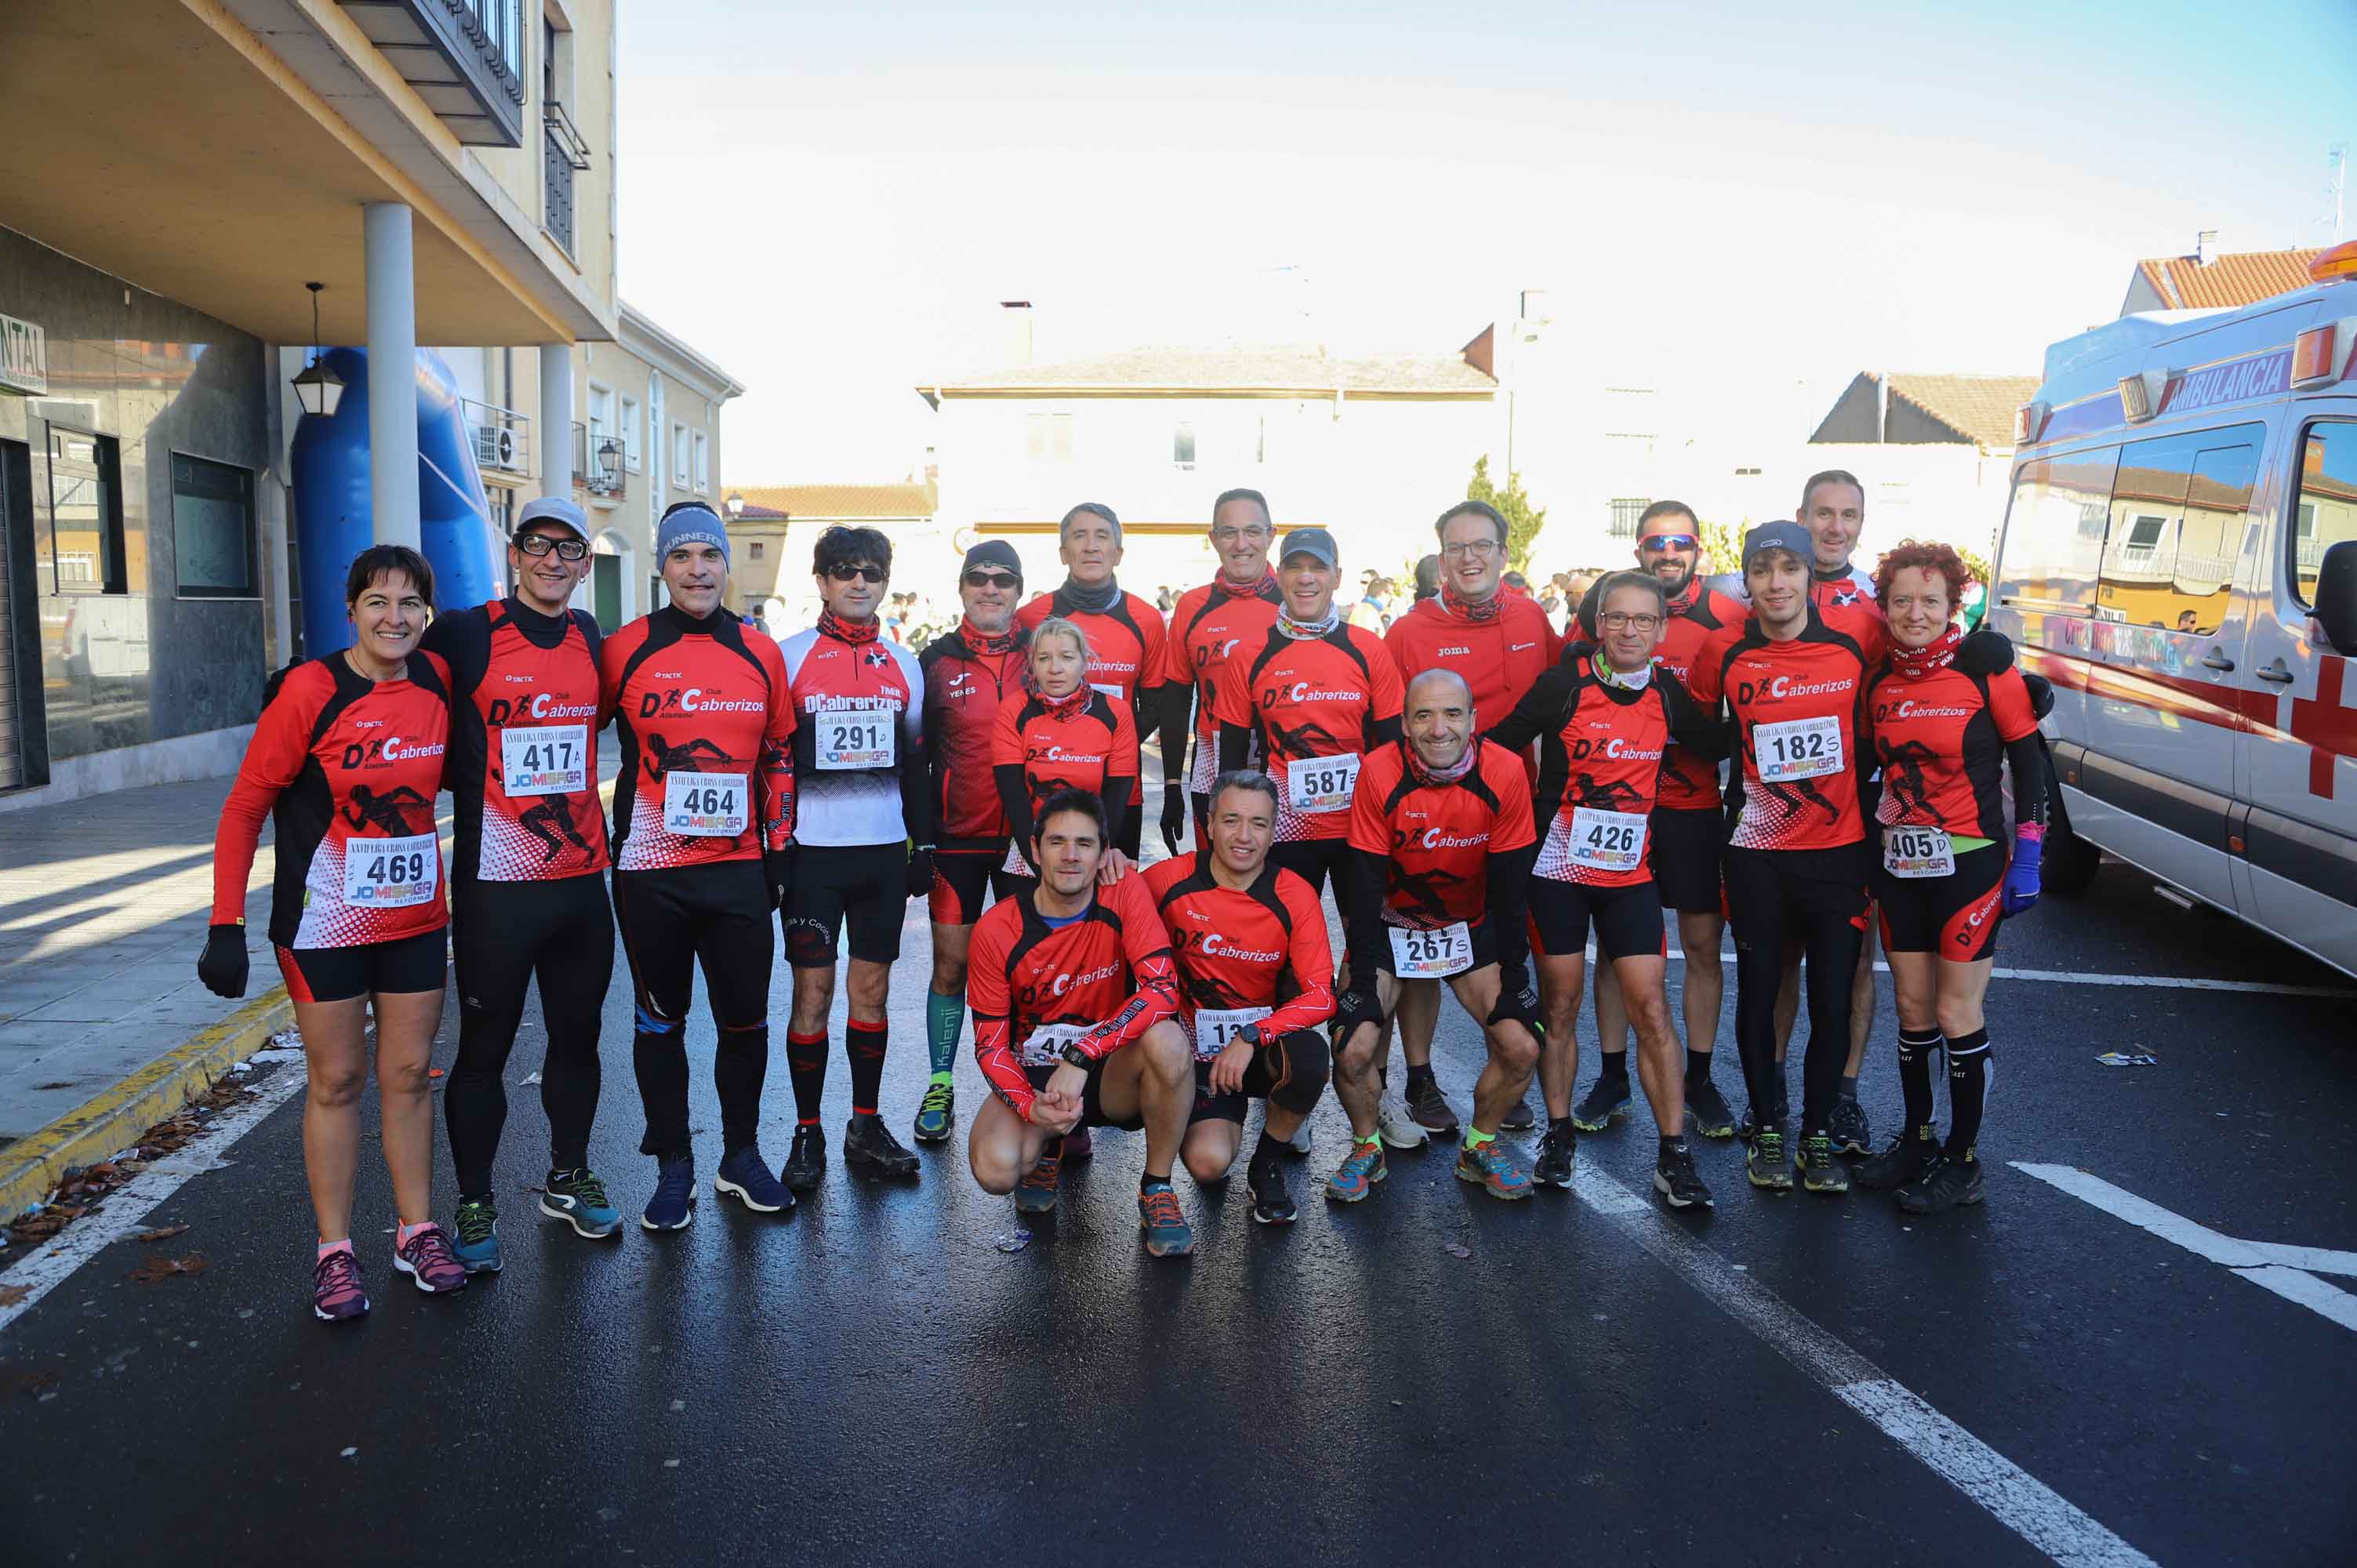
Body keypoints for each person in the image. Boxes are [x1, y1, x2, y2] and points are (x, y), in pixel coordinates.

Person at [200, 545, 463, 1320]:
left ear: (426, 613)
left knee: (411, 1074)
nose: (395, 616)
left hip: (416, 914)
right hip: (323, 920)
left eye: (410, 602)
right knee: (338, 1080)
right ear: (350, 609)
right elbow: (246, 806)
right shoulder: (310, 690)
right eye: (378, 601)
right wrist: (225, 922)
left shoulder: (437, 681)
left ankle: (416, 1231)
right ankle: (334, 1250)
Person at [419, 496, 618, 1272]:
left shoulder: (588, 634)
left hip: (578, 882)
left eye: (569, 550)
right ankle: (474, 1199)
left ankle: (567, 1174)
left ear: (585, 566)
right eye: (540, 544)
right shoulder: (469, 631)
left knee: (579, 1039)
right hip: (496, 883)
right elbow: (394, 672)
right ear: (514, 552)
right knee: (485, 1048)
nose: (553, 561)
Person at [1488, 572, 1724, 1206]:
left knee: (1651, 1008)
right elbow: (1498, 748)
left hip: (1629, 877)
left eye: (1643, 621)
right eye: (1617, 618)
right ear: (1598, 624)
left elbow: (1716, 743)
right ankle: (1559, 1134)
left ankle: (1673, 1154)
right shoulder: (1564, 685)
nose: (1629, 631)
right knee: (1560, 1008)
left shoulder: (1667, 691)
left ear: (1661, 630)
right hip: (1558, 874)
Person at [601, 502, 797, 1227]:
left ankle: (740, 1156)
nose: (697, 569)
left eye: (709, 556)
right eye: (681, 557)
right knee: (661, 1022)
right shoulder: (625, 649)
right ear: (662, 567)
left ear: (724, 565)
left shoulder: (759, 650)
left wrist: (781, 848)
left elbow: (779, 754)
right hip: (651, 870)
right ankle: (673, 1163)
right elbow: (562, 723)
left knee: (745, 1020)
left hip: (739, 867)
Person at [1684, 521, 1878, 1195]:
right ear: (1747, 580)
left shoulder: (1855, 643)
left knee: (1830, 999)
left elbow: (1918, 660)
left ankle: (1817, 1136)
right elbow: (1697, 730)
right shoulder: (1726, 652)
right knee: (1762, 993)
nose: (1776, 583)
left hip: (1839, 852)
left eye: (1789, 569)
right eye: (1762, 570)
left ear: (1808, 576)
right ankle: (1769, 1127)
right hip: (1758, 852)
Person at [1854, 541, 2046, 1214]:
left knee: (1954, 1010)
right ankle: (1917, 1139)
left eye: (1930, 601)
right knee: (1911, 1011)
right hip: (1901, 864)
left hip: (1970, 862)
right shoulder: (1877, 680)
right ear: (1883, 607)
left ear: (1953, 605)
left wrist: (2029, 851)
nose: (1915, 613)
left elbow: (2029, 758)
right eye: (1901, 600)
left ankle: (1963, 1164)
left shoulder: (1985, 671)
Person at [1382, 501, 1561, 1136]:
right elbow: (1387, 725)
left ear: (1505, 555)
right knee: (1419, 940)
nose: (1470, 558)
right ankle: (1421, 1076)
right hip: (1426, 813)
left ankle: (1504, 1070)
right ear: (1440, 559)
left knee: (1508, 933)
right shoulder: (1408, 630)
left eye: (1482, 545)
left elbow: (1565, 696)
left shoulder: (1533, 617)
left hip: (1511, 810)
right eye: (1456, 547)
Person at [1328, 668, 1542, 1201]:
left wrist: (1515, 978)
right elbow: (1363, 887)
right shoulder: (1379, 770)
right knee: (1352, 1047)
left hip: (1466, 929)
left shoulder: (1506, 771)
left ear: (1474, 720)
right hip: (1389, 926)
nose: (1438, 728)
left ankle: (1480, 1146)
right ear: (1404, 723)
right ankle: (1366, 1147)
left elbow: (1512, 892)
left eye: (1451, 713)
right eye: (1423, 715)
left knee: (1521, 1046)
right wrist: (1359, 985)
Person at [965, 789, 1199, 1256]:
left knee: (1170, 1042)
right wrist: (1031, 1108)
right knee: (995, 1169)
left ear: (1103, 853)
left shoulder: (1123, 890)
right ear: (1034, 851)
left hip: (1107, 1070)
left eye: (1085, 844)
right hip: (1036, 1078)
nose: (1070, 856)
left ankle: (1157, 1188)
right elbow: (990, 1047)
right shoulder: (995, 928)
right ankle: (1052, 1140)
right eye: (1057, 843)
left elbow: (1161, 990)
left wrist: (1084, 1052)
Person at [1583, 503, 1743, 1141]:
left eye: (1680, 542)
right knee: (1617, 952)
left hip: (1692, 811)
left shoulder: (1729, 615)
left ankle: (1698, 1079)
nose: (1668, 552)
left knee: (1704, 947)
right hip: (1616, 811)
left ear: (1697, 548)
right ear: (1640, 549)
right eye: (1656, 542)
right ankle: (1613, 1074)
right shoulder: (1611, 603)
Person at [778, 524, 929, 1189]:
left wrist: (921, 844)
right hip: (812, 856)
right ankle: (806, 1132)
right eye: (844, 571)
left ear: (885, 582)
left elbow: (916, 762)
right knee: (811, 997)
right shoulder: (788, 658)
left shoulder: (906, 663)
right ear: (821, 581)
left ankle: (864, 1124)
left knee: (871, 994)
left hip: (879, 856)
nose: (858, 581)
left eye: (870, 571)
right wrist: (770, 850)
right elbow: (771, 759)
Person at [1145, 771, 1335, 1225]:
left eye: (1259, 824)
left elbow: (1321, 996)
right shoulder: (1167, 880)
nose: (1244, 837)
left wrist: (1252, 1035)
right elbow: (1103, 911)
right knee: (1207, 1166)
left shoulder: (1294, 893)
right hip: (1191, 1054)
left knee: (1309, 1056)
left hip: (1255, 1049)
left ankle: (1267, 1161)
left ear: (1274, 832)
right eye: (1231, 821)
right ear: (1209, 824)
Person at [1215, 526, 1404, 902]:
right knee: (1287, 937)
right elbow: (1232, 758)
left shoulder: (1368, 649)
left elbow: (1394, 749)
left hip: (1359, 824)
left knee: (1364, 939)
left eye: (1317, 568)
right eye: (1294, 567)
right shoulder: (1249, 654)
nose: (1305, 578)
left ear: (1336, 578)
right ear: (1279, 577)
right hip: (1285, 824)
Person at [913, 540, 1030, 1146]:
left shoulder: (1042, 654)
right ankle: (939, 1082)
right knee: (952, 966)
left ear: (1018, 590)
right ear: (962, 588)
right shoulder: (934, 659)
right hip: (956, 841)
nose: (991, 589)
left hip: (1024, 844)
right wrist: (918, 841)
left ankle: (1021, 1081)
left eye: (1003, 580)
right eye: (978, 579)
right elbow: (915, 758)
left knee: (1023, 969)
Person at [1015, 503, 1168, 858]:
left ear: (1118, 553)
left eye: (1102, 536)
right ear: (1063, 553)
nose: (1091, 546)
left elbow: (1156, 704)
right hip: (1045, 788)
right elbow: (1019, 701)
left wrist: (1106, 748)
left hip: (1118, 789)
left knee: (1111, 897)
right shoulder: (1030, 618)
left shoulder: (1145, 618)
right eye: (1079, 536)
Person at [1159, 489, 1282, 852]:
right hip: (1213, 760)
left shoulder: (1296, 602)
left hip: (1283, 763)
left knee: (1278, 884)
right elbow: (1177, 702)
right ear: (1213, 539)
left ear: (1271, 535)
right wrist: (1171, 786)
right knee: (1219, 878)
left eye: (1253, 531)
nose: (1241, 544)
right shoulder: (1192, 606)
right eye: (1229, 533)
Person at [995, 615, 1137, 885]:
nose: (1055, 668)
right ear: (1032, 665)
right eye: (1044, 658)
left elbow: (1117, 798)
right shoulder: (1013, 710)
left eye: (1067, 657)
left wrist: (1094, 858)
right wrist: (1042, 868)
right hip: (1031, 851)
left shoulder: (1115, 713)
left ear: (1085, 662)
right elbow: (1014, 797)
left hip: (1091, 852)